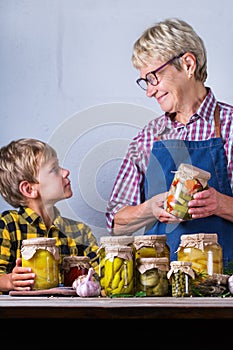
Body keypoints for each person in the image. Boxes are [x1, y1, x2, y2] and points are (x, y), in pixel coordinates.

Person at [106, 18, 233, 268]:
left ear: (187, 64)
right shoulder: (148, 137)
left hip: (227, 284)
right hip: (161, 286)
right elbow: (116, 222)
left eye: (153, 77)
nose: (149, 91)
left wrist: (220, 204)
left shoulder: (230, 126)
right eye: (145, 81)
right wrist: (149, 209)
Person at [0, 138, 99, 293]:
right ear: (29, 189)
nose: (66, 172)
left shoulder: (80, 232)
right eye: (54, 169)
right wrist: (8, 281)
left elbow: (102, 275)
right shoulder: (8, 225)